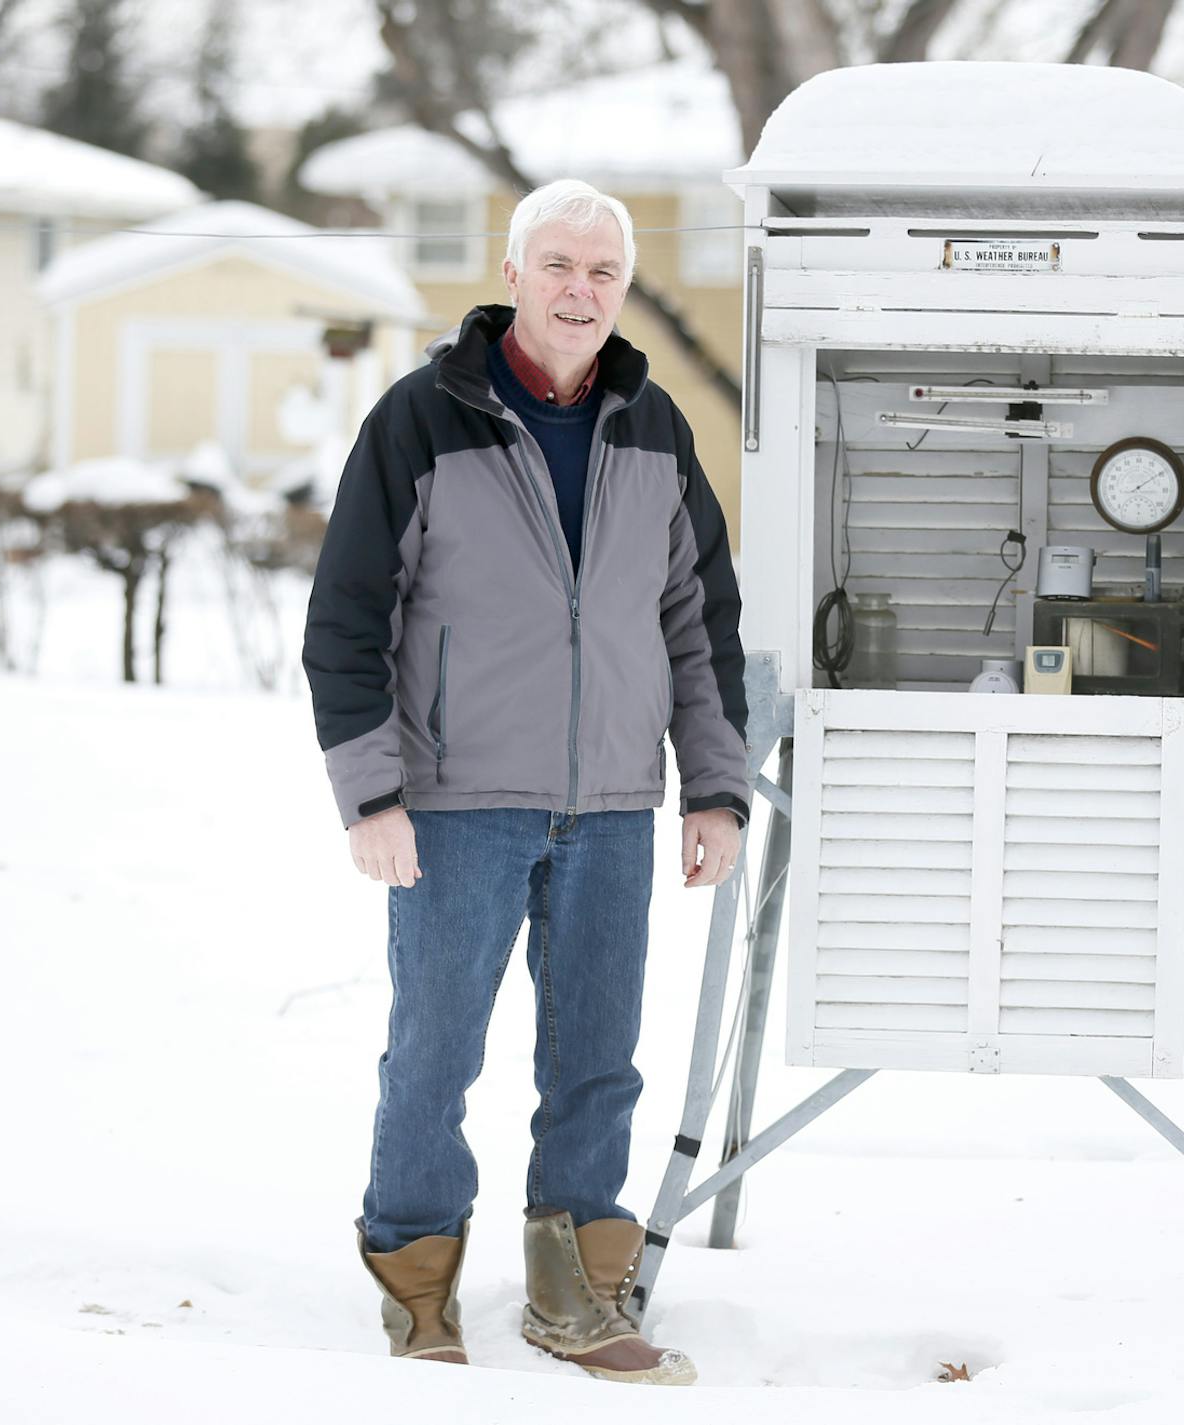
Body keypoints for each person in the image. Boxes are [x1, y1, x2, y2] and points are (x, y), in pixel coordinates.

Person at [301, 179, 750, 1386]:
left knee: (600, 1058)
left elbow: (698, 620)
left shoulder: (654, 429)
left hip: (610, 802)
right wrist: (371, 794)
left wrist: (714, 788)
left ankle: (575, 1292)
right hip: (454, 803)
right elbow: (348, 615)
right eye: (558, 265)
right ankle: (417, 1284)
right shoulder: (422, 418)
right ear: (513, 275)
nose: (580, 291)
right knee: (435, 1053)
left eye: (603, 272)